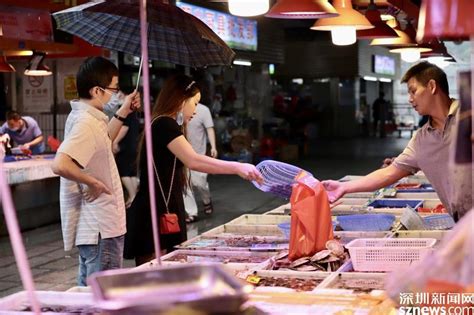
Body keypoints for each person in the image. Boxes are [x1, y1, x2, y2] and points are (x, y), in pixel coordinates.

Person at [124, 74, 262, 266]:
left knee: (166, 274)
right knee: (153, 277)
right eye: (195, 103)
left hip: (166, 206)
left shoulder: (169, 124)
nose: (196, 110)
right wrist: (237, 167)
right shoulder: (164, 124)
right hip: (154, 210)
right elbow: (193, 160)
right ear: (181, 99)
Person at [323, 62, 464, 220]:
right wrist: (344, 187)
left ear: (432, 86)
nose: (410, 99)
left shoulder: (468, 117)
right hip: (464, 225)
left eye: (413, 91)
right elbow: (388, 174)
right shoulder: (421, 140)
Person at [51, 56, 140, 286]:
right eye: (114, 88)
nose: (116, 94)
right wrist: (92, 182)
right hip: (101, 227)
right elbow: (60, 164)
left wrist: (123, 111)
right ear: (97, 90)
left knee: (89, 295)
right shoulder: (85, 123)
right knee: (101, 297)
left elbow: (104, 139)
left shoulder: (90, 118)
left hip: (99, 226)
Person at [182, 103, 217, 223]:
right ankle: (192, 212)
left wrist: (213, 147)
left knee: (200, 183)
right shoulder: (177, 109)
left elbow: (210, 128)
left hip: (199, 154)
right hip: (183, 153)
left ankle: (207, 200)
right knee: (185, 183)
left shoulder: (203, 110)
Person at [112, 110, 141, 208]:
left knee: (123, 172)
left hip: (125, 147)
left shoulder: (126, 113)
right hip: (134, 147)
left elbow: (124, 128)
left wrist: (115, 141)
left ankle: (132, 197)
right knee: (131, 173)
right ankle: (134, 197)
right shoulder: (135, 114)